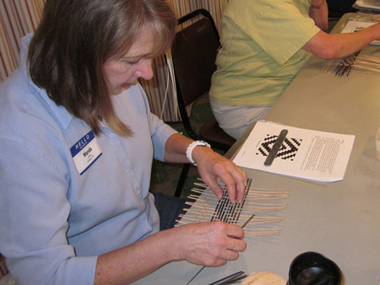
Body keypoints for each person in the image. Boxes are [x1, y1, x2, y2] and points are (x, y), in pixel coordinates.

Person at [0, 1, 248, 284]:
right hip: (97, 267)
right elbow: (46, 275)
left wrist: (198, 152)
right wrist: (173, 245)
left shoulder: (103, 72)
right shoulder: (19, 136)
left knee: (251, 239)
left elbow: (147, 127)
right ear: (80, 52)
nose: (147, 73)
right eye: (132, 61)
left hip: (147, 220)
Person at [209, 0, 380, 139]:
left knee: (355, 109)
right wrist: (374, 32)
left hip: (288, 85)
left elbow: (320, 28)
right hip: (248, 106)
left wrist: (316, 2)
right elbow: (327, 48)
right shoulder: (262, 3)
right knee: (344, 131)